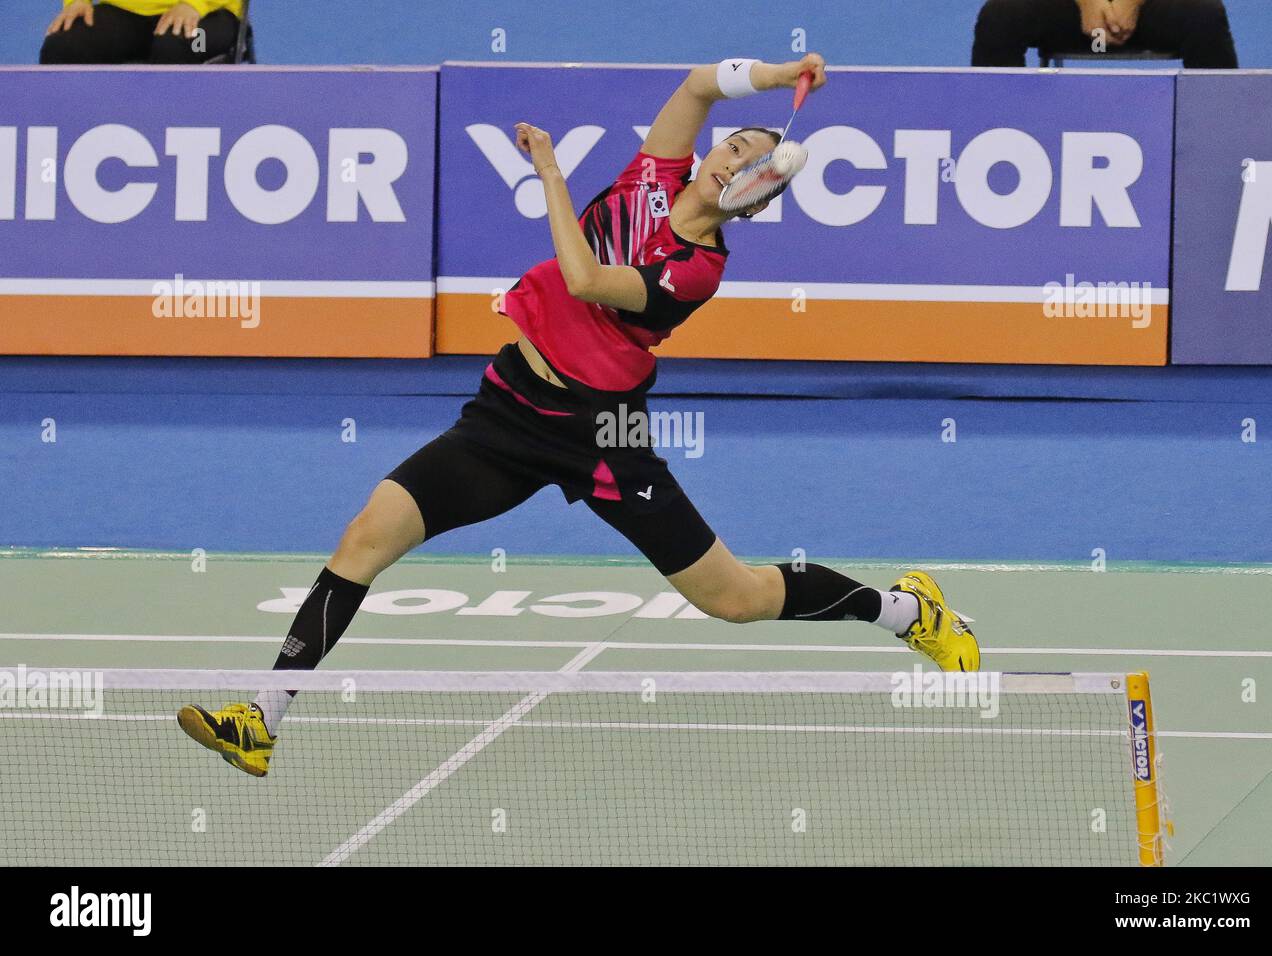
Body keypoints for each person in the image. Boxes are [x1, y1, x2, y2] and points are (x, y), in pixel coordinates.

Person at [175, 53, 981, 777]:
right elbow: (700, 83)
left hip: (604, 438)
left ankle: (908, 611)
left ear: (755, 194)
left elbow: (590, 281)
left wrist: (552, 175)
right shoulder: (652, 177)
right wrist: (779, 76)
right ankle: (262, 719)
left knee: (734, 597)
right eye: (730, 144)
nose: (726, 154)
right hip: (505, 414)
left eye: (748, 158)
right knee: (364, 538)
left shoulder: (698, 269)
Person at [972, 0, 1239, 68]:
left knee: (1205, 15)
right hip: (1072, 12)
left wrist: (1132, 2)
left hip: (1149, 11)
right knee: (1000, 17)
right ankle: (997, 131)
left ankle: (1219, 136)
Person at [41, 0, 245, 65]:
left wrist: (194, 5)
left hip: (206, 17)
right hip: (126, 12)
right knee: (63, 45)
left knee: (177, 46)